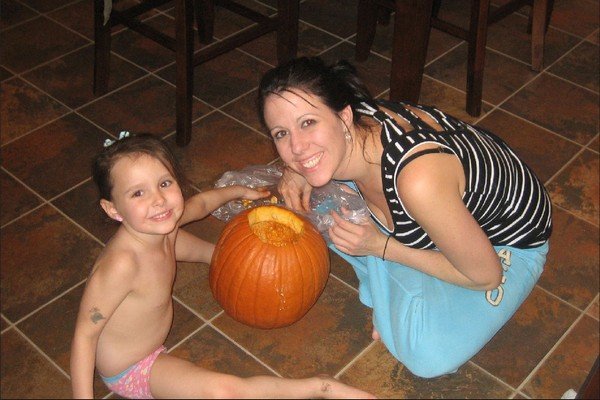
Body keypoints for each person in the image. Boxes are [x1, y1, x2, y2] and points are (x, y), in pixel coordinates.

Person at [257, 57, 552, 378]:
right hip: (435, 212)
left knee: (427, 355)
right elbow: (302, 154)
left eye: (308, 123)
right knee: (312, 202)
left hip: (505, 243)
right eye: (281, 133)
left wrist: (381, 247)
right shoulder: (356, 117)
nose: (297, 147)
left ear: (344, 116)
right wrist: (295, 171)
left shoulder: (417, 180)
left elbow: (487, 276)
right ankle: (394, 288)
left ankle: (389, 285)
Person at [70, 133, 375, 399]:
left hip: (156, 282)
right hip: (132, 367)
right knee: (224, 393)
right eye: (138, 192)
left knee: (181, 241)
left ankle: (216, 255)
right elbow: (84, 337)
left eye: (164, 183)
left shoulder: (161, 222)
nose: (159, 200)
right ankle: (320, 387)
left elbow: (202, 204)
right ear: (113, 209)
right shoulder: (121, 266)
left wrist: (238, 191)